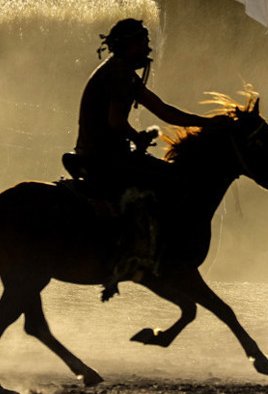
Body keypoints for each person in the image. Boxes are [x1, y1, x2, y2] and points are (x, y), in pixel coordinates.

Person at [70, 17, 221, 300]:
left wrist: (207, 123)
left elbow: (165, 111)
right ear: (128, 45)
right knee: (174, 182)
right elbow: (116, 121)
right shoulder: (117, 73)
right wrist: (137, 138)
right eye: (143, 43)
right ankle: (141, 251)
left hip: (106, 154)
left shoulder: (123, 72)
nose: (147, 49)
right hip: (104, 157)